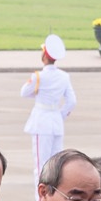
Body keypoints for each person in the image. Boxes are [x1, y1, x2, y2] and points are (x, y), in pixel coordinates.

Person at [20, 34, 76, 177]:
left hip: (41, 121)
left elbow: (24, 92)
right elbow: (71, 101)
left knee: (41, 165)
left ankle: (40, 199)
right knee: (56, 165)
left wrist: (37, 93)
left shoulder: (38, 76)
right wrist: (60, 115)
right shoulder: (64, 76)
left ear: (44, 55)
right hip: (56, 121)